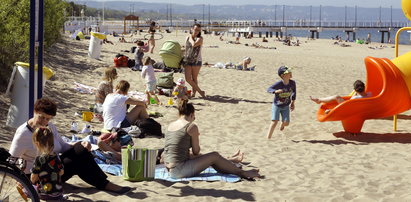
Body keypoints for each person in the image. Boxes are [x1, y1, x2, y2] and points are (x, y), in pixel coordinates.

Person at [9, 98, 130, 194]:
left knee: (81, 151)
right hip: (38, 178)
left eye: (48, 119)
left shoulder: (50, 127)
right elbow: (11, 159)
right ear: (34, 112)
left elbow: (62, 147)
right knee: (80, 158)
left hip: (54, 170)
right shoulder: (23, 133)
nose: (44, 122)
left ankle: (104, 183)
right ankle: (104, 184)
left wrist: (80, 144)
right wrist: (21, 180)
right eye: (41, 117)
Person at [163, 101, 261, 179]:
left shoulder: (170, 125)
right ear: (192, 114)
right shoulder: (191, 127)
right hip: (179, 170)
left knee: (203, 157)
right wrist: (196, 136)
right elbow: (196, 151)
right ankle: (242, 173)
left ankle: (230, 162)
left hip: (168, 168)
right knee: (214, 155)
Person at [31, 127, 65, 200]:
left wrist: (32, 181)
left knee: (27, 188)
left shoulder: (39, 159)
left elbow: (33, 178)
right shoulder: (56, 157)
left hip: (44, 193)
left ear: (37, 144)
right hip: (58, 193)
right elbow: (62, 172)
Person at [266, 66, 296, 139]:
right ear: (283, 75)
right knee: (274, 122)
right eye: (288, 72)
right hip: (277, 105)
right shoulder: (279, 83)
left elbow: (294, 93)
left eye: (290, 72)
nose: (290, 73)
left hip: (286, 106)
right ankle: (268, 138)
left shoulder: (292, 83)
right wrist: (275, 91)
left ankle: (282, 124)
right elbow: (269, 89)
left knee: (287, 123)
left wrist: (293, 103)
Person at [183, 23, 205, 98]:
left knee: (194, 78)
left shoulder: (200, 39)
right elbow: (186, 48)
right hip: (187, 60)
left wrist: (190, 37)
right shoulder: (187, 37)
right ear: (192, 29)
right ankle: (200, 91)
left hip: (196, 61)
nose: (196, 32)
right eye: (195, 29)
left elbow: (193, 44)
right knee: (188, 79)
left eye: (198, 30)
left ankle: (194, 93)